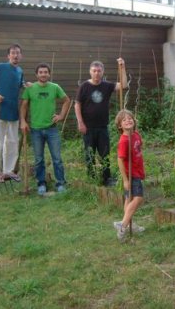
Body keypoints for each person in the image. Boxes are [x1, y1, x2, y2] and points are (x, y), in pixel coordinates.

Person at [74, 58, 127, 187]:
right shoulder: (84, 86)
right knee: (89, 154)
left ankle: (106, 178)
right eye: (94, 71)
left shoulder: (106, 86)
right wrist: (80, 123)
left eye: (99, 71)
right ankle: (92, 178)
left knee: (105, 154)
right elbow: (77, 105)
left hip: (102, 126)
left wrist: (123, 67)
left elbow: (124, 85)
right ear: (90, 72)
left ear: (102, 72)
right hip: (88, 127)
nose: (97, 73)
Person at [20, 63, 70, 196]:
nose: (43, 74)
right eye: (40, 72)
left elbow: (66, 100)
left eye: (45, 72)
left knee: (57, 158)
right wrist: (23, 121)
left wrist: (61, 116)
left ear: (49, 74)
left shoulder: (55, 87)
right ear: (37, 75)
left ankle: (60, 183)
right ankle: (41, 183)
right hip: (35, 130)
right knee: (38, 159)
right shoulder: (30, 88)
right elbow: (24, 106)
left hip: (52, 129)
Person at [0, 43, 29, 183]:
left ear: (21, 56)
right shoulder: (0, 67)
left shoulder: (20, 70)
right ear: (8, 55)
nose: (15, 55)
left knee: (12, 142)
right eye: (13, 53)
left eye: (18, 53)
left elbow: (20, 83)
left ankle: (8, 171)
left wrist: (27, 85)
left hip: (13, 112)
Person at [113, 110, 146, 242]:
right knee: (138, 199)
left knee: (128, 199)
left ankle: (127, 222)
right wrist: (126, 179)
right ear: (120, 125)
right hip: (131, 175)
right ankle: (123, 226)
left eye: (130, 118)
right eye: (124, 120)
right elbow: (120, 160)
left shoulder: (136, 135)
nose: (128, 121)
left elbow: (139, 151)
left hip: (137, 171)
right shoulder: (124, 141)